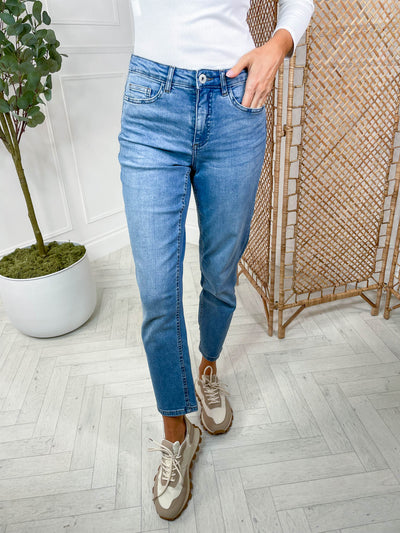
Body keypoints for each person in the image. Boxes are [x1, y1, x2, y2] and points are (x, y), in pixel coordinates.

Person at [118, 0, 315, 521]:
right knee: (157, 293)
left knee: (221, 271)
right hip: (152, 102)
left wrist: (277, 46)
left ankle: (207, 367)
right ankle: (176, 432)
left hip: (234, 104)